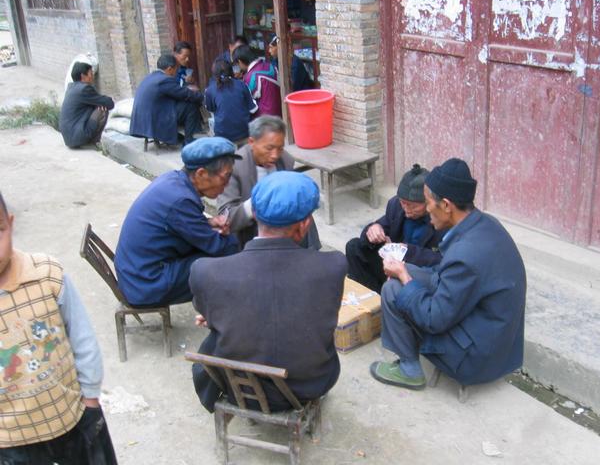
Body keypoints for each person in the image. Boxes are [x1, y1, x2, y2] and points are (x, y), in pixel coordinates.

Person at [190, 171, 347, 413]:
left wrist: (218, 313)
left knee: (213, 338)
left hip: (238, 388)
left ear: (254, 214)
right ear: (305, 225)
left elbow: (208, 311)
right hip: (311, 384)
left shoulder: (206, 272)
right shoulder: (334, 265)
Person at [370, 158, 526, 390]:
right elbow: (448, 277)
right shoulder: (485, 224)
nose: (427, 209)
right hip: (493, 336)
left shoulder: (465, 255)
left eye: (428, 202)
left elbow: (433, 319)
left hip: (476, 357)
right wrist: (407, 272)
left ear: (446, 205)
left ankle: (409, 369)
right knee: (407, 272)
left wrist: (405, 278)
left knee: (394, 288)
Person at [0, 192, 117, 464]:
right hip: (9, 441)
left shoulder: (47, 275)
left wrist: (89, 398)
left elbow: (82, 338)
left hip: (70, 419)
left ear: (11, 223)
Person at [115, 137, 241, 308]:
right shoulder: (180, 201)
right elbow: (218, 247)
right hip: (146, 284)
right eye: (226, 177)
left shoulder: (174, 180)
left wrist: (208, 222)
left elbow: (180, 223)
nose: (227, 185)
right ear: (201, 174)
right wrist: (247, 242)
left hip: (135, 272)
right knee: (225, 261)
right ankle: (226, 318)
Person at [217, 115, 321, 249]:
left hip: (287, 227)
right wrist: (258, 204)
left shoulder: (284, 160)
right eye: (269, 148)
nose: (275, 155)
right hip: (254, 233)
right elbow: (226, 218)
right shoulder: (234, 168)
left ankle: (312, 252)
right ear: (251, 142)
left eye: (280, 148)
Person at [345, 164, 445, 293]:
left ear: (428, 202)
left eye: (413, 206)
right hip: (390, 265)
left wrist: (408, 252)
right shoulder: (396, 205)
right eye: (403, 203)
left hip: (415, 274)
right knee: (354, 246)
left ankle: (389, 296)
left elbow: (442, 261)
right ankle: (374, 298)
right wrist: (373, 229)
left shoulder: (441, 219)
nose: (407, 209)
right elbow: (381, 225)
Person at [129, 54, 204, 147]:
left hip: (143, 122)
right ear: (169, 69)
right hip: (154, 121)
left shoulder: (151, 77)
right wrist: (202, 97)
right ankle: (188, 140)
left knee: (183, 104)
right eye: (176, 69)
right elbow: (185, 94)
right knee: (190, 106)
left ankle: (177, 136)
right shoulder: (164, 80)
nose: (176, 73)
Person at [59, 62, 114, 148]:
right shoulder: (84, 89)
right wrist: (101, 103)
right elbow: (109, 104)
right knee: (102, 110)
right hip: (77, 136)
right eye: (91, 74)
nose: (92, 77)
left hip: (68, 137)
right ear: (83, 76)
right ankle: (93, 142)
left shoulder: (71, 88)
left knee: (97, 105)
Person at [205, 58, 257, 144]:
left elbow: (211, 109)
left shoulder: (210, 90)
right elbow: (253, 109)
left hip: (222, 134)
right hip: (243, 133)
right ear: (231, 71)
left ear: (214, 74)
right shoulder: (242, 85)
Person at [233, 44, 282, 117]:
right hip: (280, 112)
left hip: (264, 118)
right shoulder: (270, 66)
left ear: (240, 61)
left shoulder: (250, 77)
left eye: (238, 64)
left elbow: (247, 101)